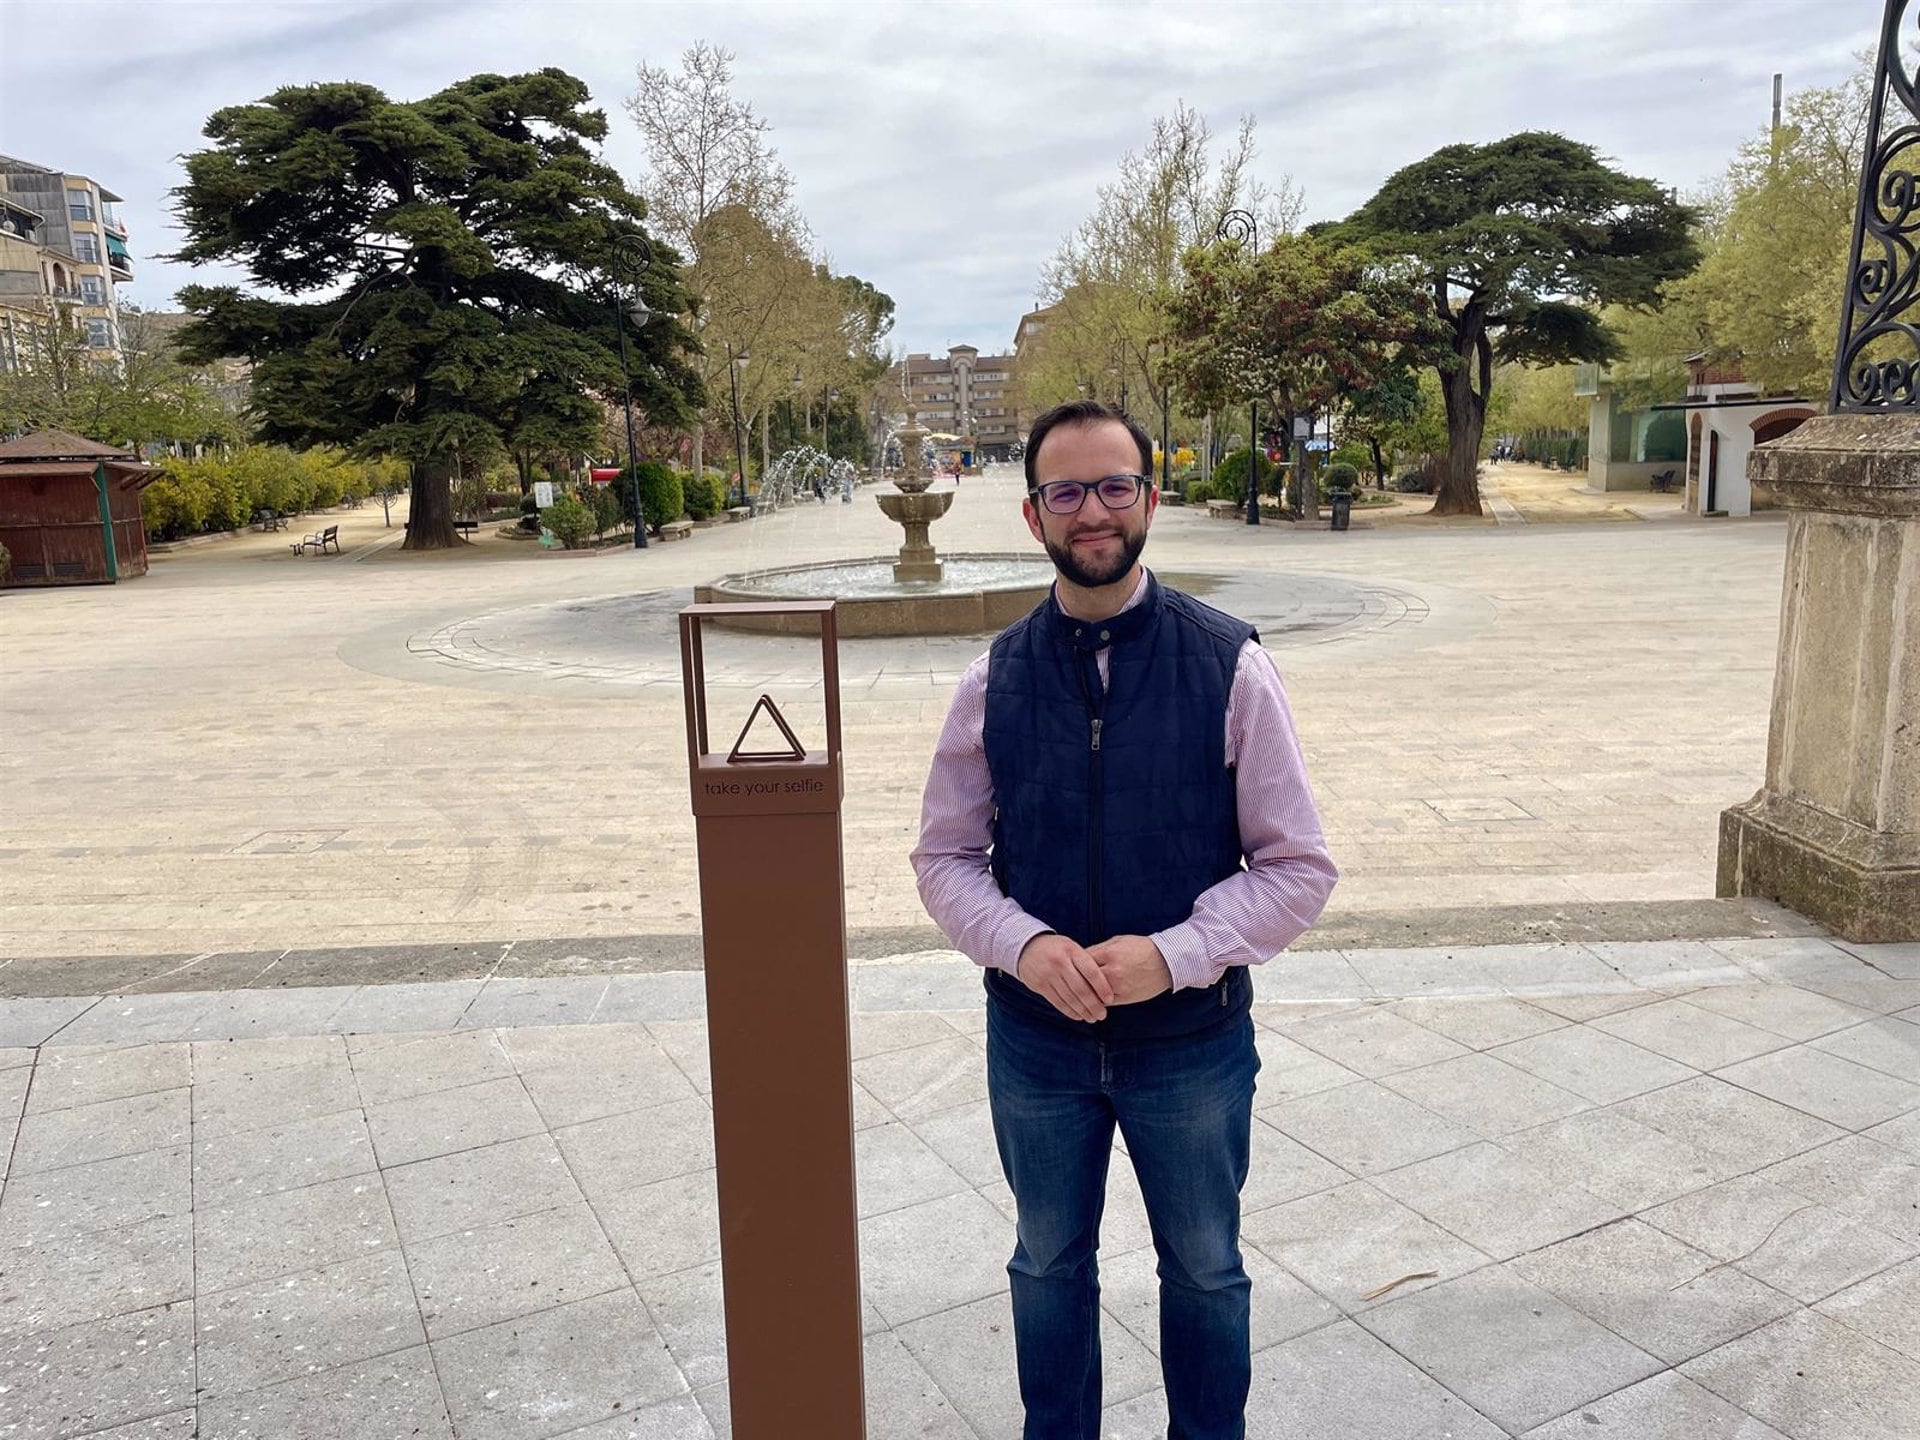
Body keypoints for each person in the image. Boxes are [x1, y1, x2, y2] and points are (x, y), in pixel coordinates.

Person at [912, 400, 1337, 1440]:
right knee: (1047, 1265)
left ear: (1149, 498)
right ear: (1033, 515)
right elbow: (944, 857)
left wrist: (1174, 955)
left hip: (1189, 1045)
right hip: (1038, 1046)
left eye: (1114, 486)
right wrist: (1027, 945)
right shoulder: (991, 680)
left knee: (1203, 1270)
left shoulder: (1229, 664)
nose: (1092, 510)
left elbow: (1298, 867)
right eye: (1068, 491)